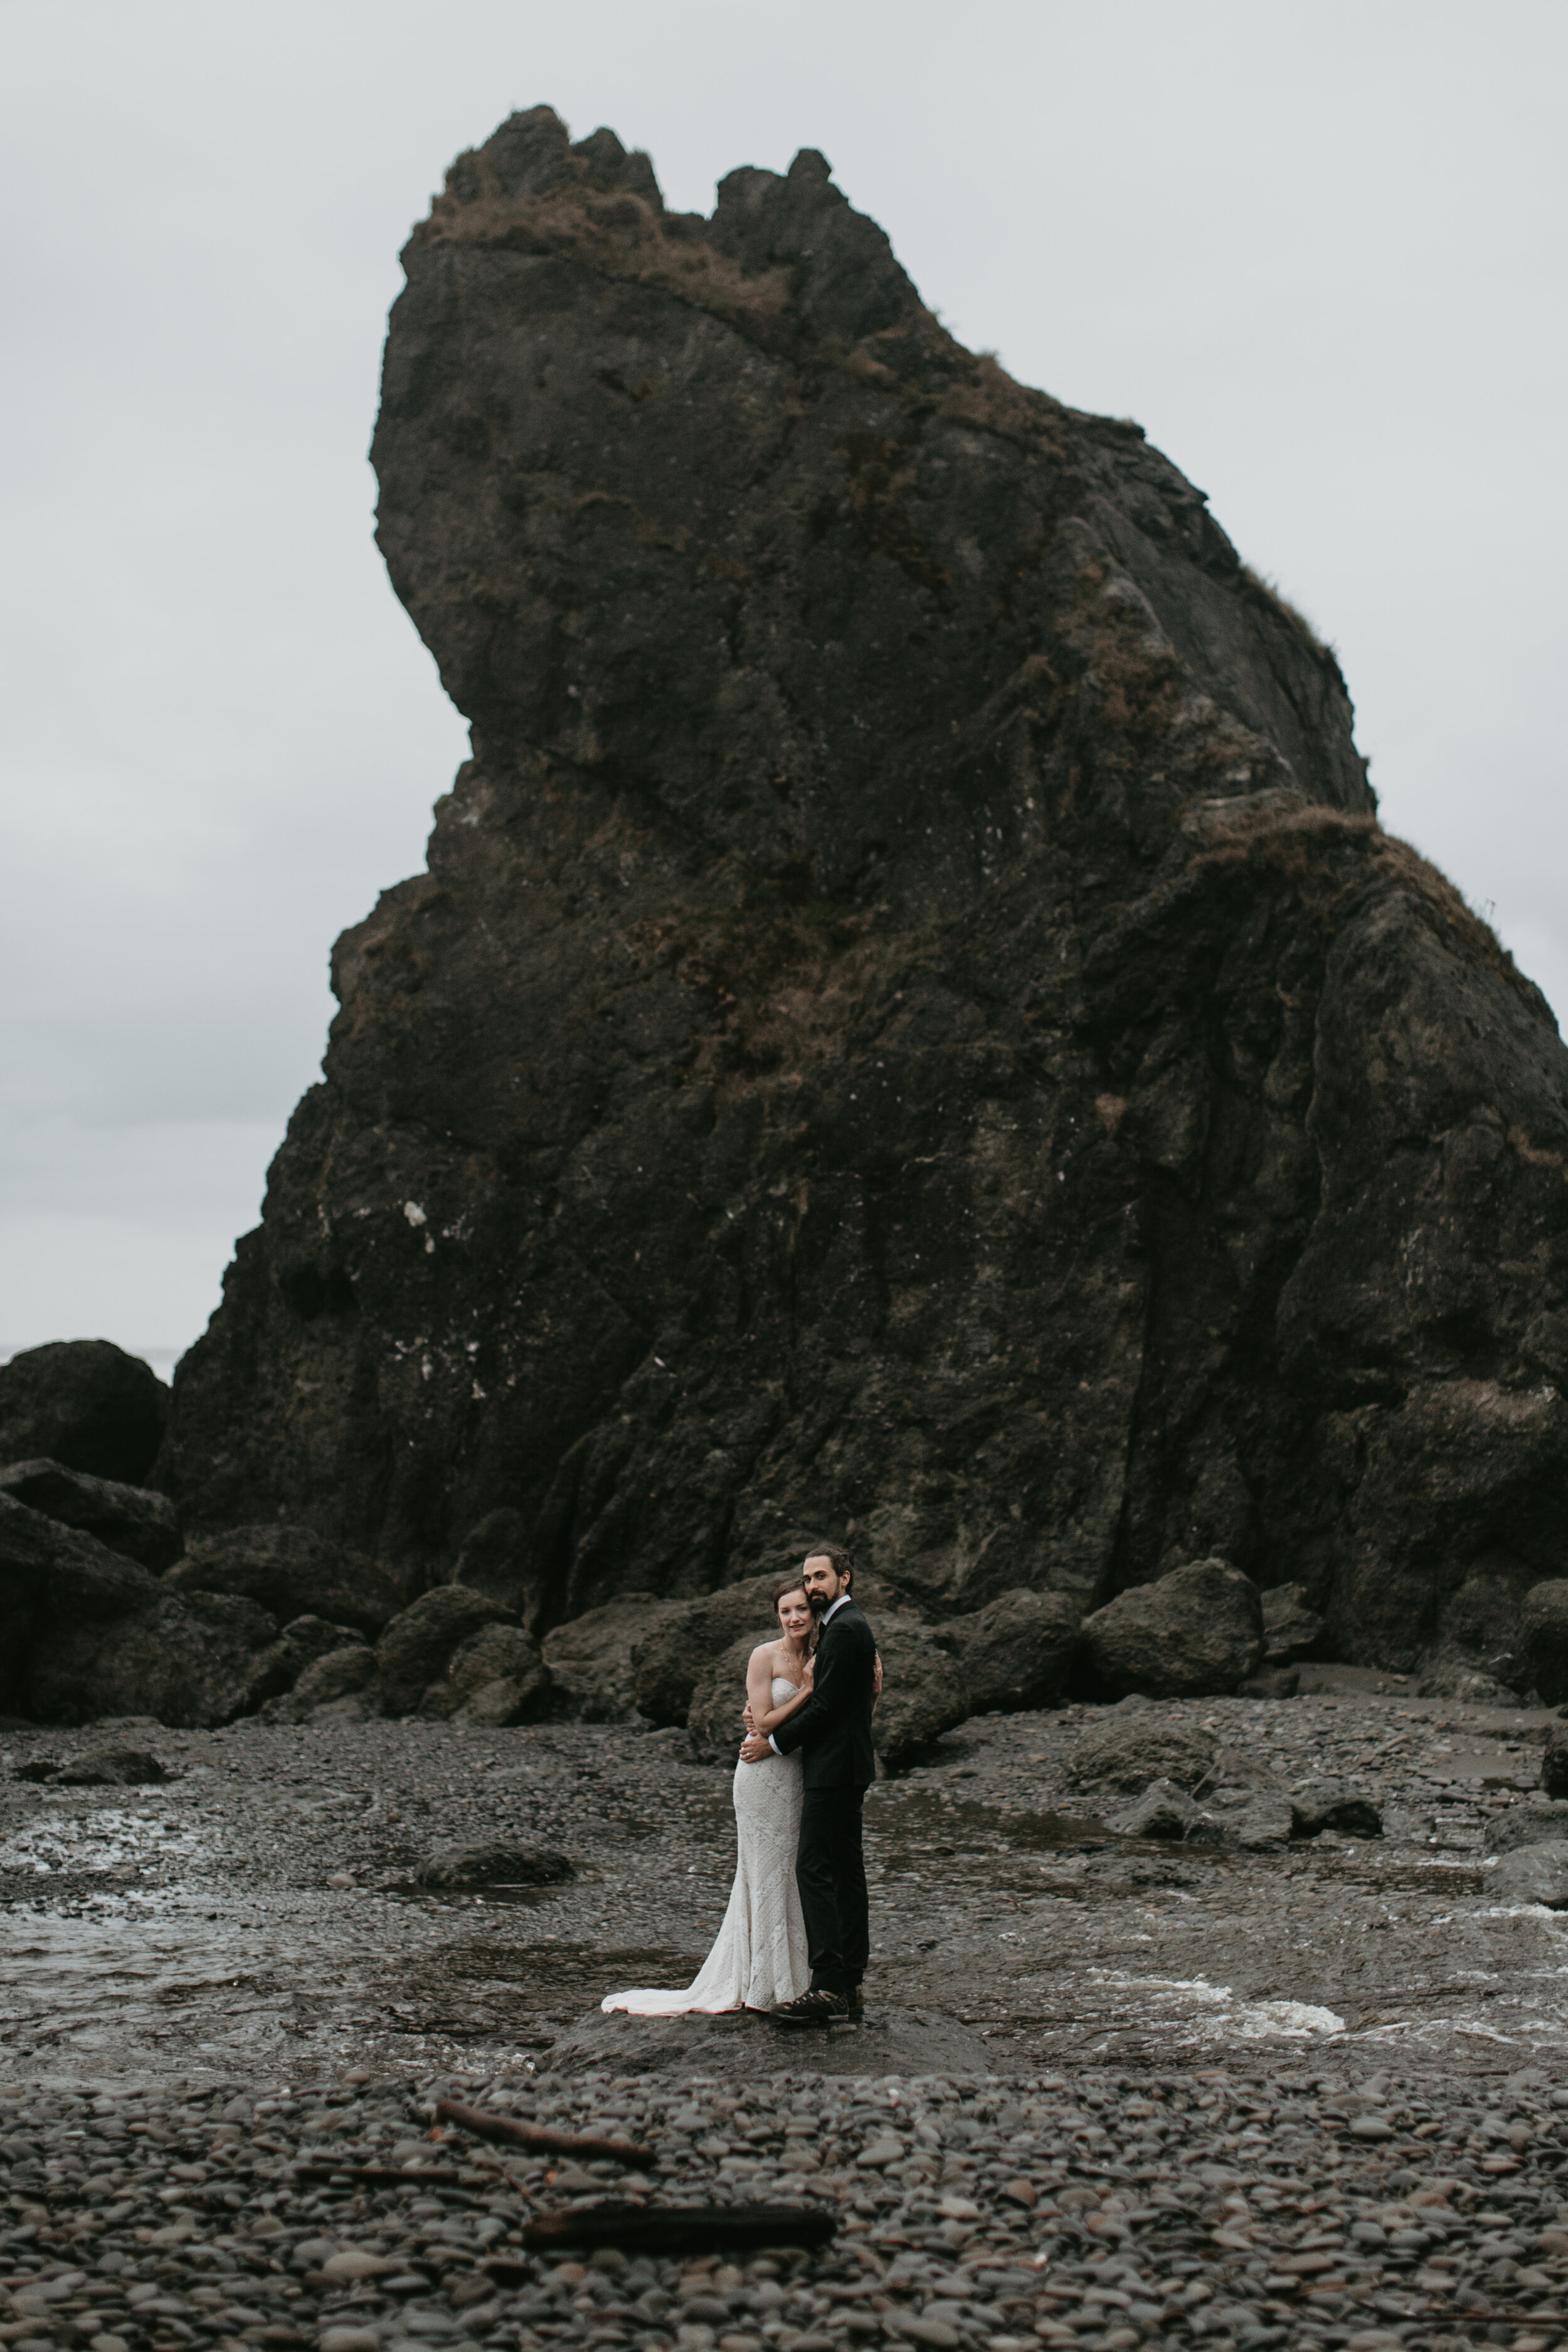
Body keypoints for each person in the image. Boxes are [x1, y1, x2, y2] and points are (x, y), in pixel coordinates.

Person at [600, 1581, 819, 2015]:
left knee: (792, 1871)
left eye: (801, 1610)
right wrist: (808, 1692)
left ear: (814, 1614)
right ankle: (759, 1982)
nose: (794, 1618)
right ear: (777, 1616)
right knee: (762, 1870)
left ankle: (793, 1977)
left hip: (798, 1776)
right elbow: (762, 1723)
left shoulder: (820, 1658)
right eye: (785, 1611)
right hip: (760, 1775)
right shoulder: (764, 1656)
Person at [739, 1544, 877, 2028]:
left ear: (845, 1578)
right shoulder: (843, 1629)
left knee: (814, 1868)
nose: (813, 1587)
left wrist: (771, 1744)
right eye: (807, 1579)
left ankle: (827, 1987)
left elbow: (825, 1709)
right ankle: (851, 1981)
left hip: (834, 1769)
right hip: (842, 1766)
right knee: (843, 1871)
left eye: (820, 1578)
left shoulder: (845, 1630)